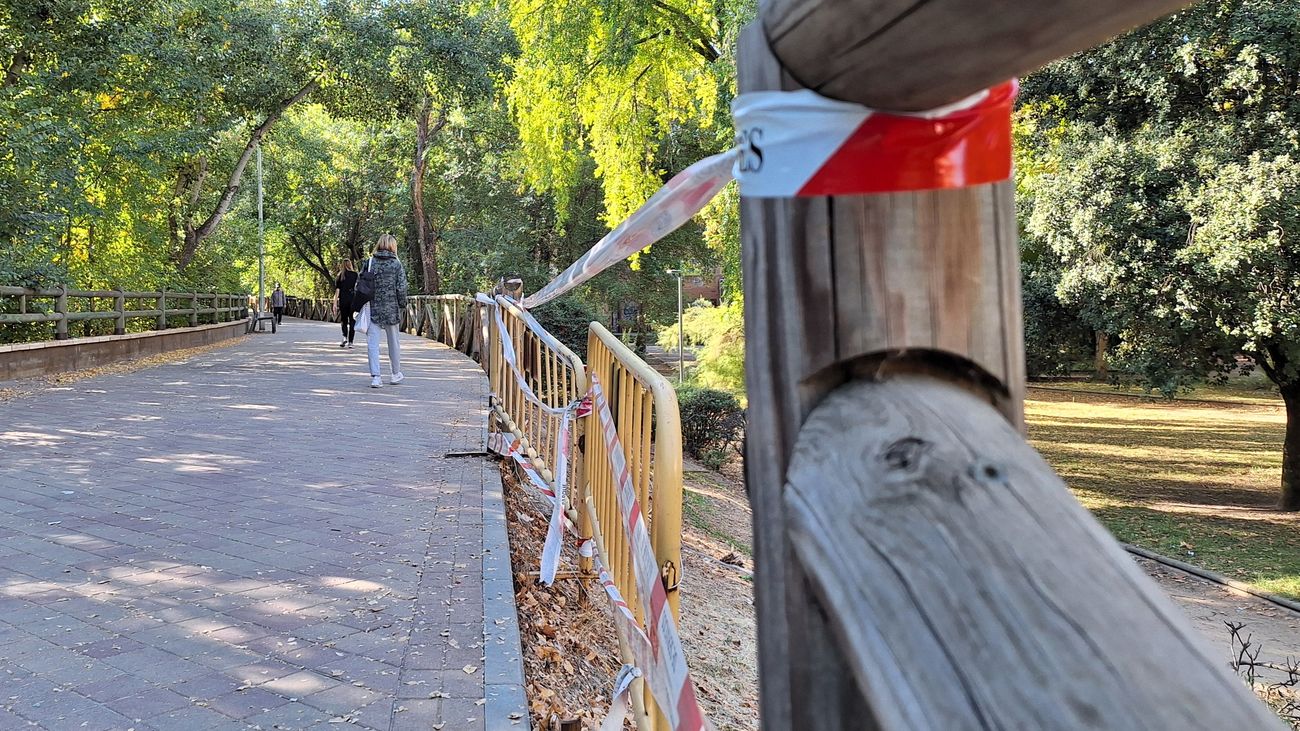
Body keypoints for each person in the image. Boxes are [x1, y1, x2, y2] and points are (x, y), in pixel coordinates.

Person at [363, 234, 407, 388]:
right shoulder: (396, 264)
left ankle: (376, 377)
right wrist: (402, 304)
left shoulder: (369, 262)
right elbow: (401, 287)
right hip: (391, 308)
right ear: (393, 246)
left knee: (372, 344)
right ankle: (395, 374)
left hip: (372, 308)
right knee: (393, 342)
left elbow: (360, 284)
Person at [333, 259, 358, 348]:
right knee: (352, 320)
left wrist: (335, 303)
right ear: (350, 264)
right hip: (353, 300)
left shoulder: (340, 276)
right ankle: (351, 342)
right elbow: (358, 288)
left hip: (343, 300)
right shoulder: (355, 275)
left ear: (342, 265)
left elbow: (337, 291)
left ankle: (344, 337)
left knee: (344, 320)